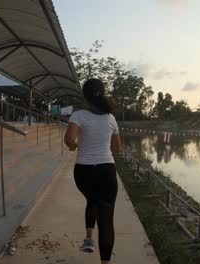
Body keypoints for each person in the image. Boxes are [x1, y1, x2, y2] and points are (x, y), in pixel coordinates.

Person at [64, 78, 122, 264]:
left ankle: (89, 239)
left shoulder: (79, 115)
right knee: (106, 218)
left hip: (84, 173)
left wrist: (74, 146)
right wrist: (103, 148)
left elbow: (69, 139)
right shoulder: (111, 118)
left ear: (85, 95)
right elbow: (117, 148)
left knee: (92, 200)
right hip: (106, 171)